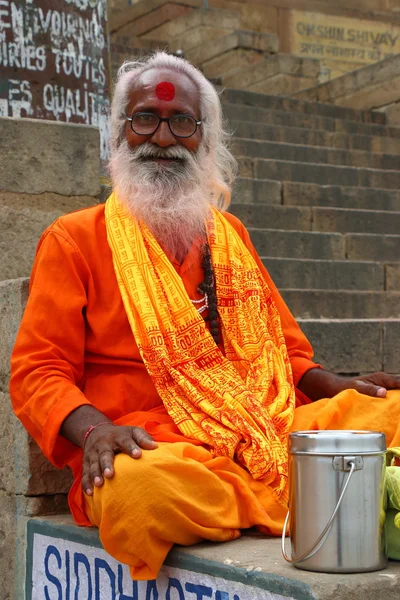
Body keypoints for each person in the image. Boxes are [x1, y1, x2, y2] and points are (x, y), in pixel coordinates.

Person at [10, 52, 400, 581]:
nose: (163, 138)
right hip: (155, 447)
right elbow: (37, 371)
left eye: (182, 122)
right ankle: (303, 496)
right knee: (136, 494)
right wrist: (96, 431)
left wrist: (337, 386)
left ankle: (275, 494)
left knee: (390, 414)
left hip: (263, 427)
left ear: (207, 139)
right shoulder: (75, 239)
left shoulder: (229, 237)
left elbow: (285, 353)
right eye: (145, 118)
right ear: (119, 136)